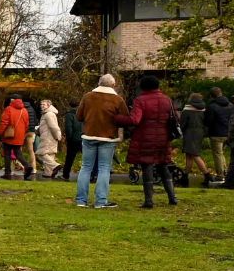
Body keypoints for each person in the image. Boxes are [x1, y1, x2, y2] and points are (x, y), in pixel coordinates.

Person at [115, 74, 178, 208]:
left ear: (143, 87)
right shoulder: (167, 99)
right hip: (163, 137)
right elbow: (174, 118)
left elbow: (135, 120)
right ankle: (172, 197)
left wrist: (118, 118)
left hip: (145, 137)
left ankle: (149, 200)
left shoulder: (141, 100)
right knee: (163, 166)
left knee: (147, 166)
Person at [75, 74, 129, 209]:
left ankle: (81, 200)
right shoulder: (117, 100)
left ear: (99, 83)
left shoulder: (88, 97)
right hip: (108, 137)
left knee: (86, 168)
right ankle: (101, 201)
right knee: (104, 168)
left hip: (89, 136)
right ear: (113, 85)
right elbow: (125, 118)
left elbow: (79, 116)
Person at [178, 93, 210, 188]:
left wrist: (181, 133)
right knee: (189, 155)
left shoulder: (187, 110)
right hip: (199, 133)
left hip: (189, 133)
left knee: (194, 154)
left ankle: (207, 174)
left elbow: (182, 124)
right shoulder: (203, 109)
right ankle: (185, 176)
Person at [0, 95, 33, 180]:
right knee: (18, 153)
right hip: (20, 135)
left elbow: (4, 122)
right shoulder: (24, 110)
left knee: (7, 154)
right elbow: (27, 124)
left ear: (12, 100)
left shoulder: (9, 109)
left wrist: (0, 133)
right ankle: (27, 166)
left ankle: (7, 172)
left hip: (9, 134)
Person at [34, 100, 62, 180]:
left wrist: (57, 136)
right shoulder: (46, 114)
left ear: (49, 105)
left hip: (48, 137)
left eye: (44, 104)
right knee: (50, 154)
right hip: (48, 136)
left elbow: (53, 127)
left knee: (41, 153)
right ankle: (48, 173)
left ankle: (55, 165)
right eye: (41, 104)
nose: (42, 106)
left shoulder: (48, 114)